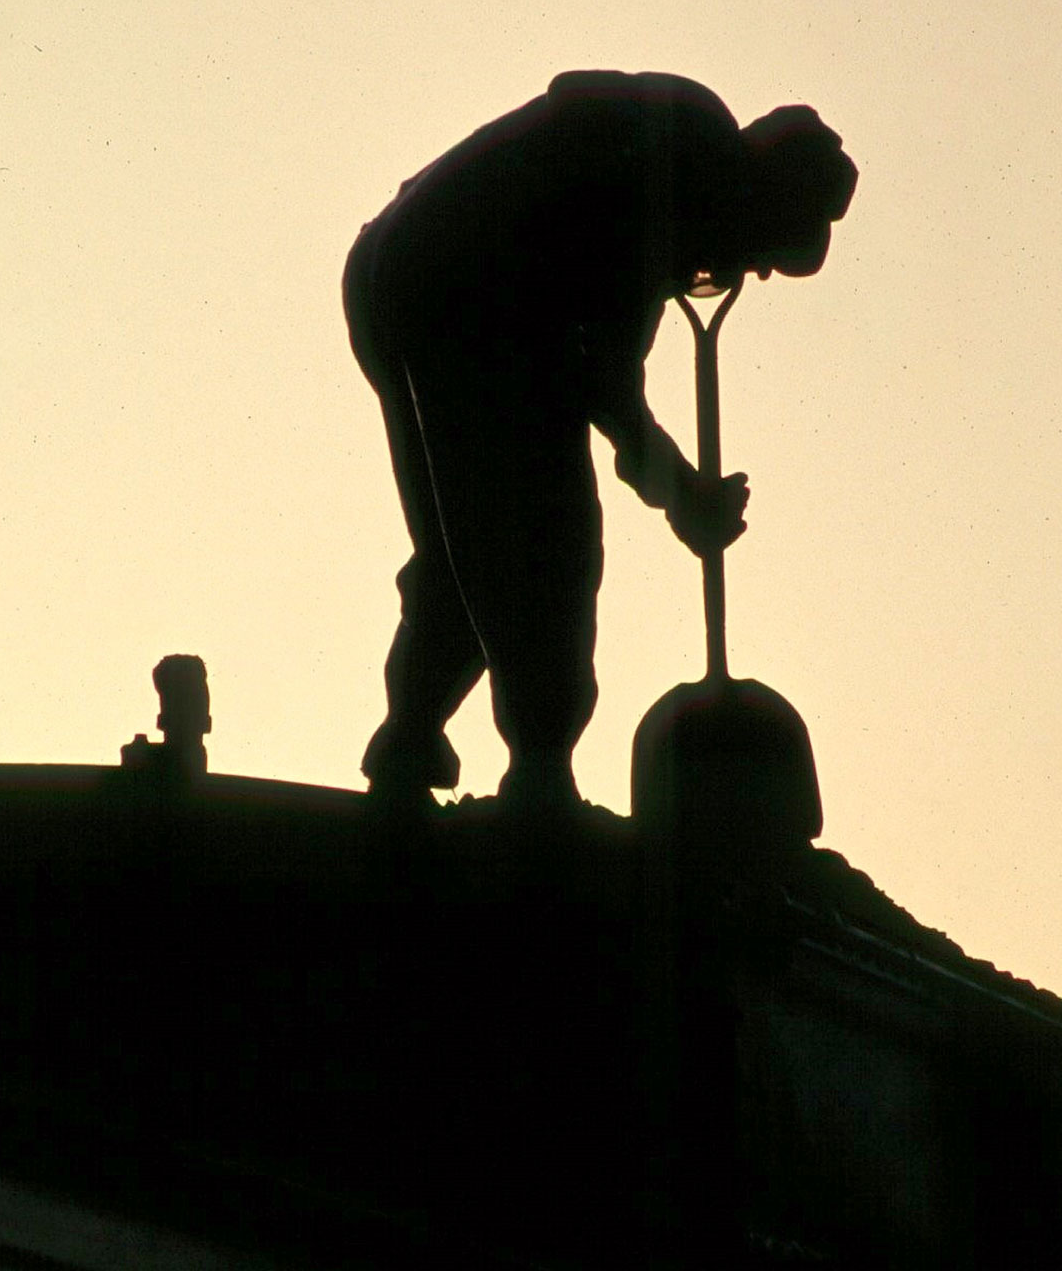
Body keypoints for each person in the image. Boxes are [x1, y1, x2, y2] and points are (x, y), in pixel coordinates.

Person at [343, 71, 856, 812]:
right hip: (469, 288)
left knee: (466, 542)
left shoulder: (682, 157)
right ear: (762, 198)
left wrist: (679, 486)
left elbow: (601, 371)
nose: (751, 273)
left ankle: (412, 738)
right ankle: (539, 768)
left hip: (396, 267)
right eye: (765, 254)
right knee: (547, 536)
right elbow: (605, 386)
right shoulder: (677, 177)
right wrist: (682, 490)